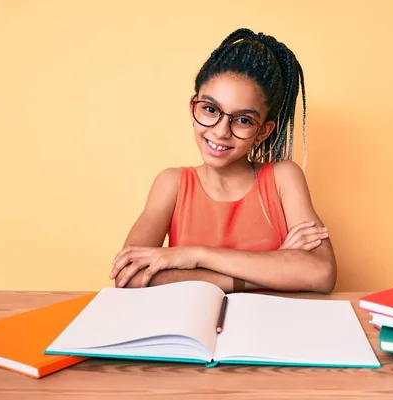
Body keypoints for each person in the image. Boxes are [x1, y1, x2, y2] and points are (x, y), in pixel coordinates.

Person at [109, 28, 337, 293]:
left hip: (271, 329)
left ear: (263, 131)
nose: (220, 131)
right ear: (193, 107)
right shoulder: (172, 183)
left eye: (242, 120)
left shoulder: (283, 178)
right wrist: (271, 270)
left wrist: (196, 256)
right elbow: (128, 276)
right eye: (210, 109)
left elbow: (321, 274)